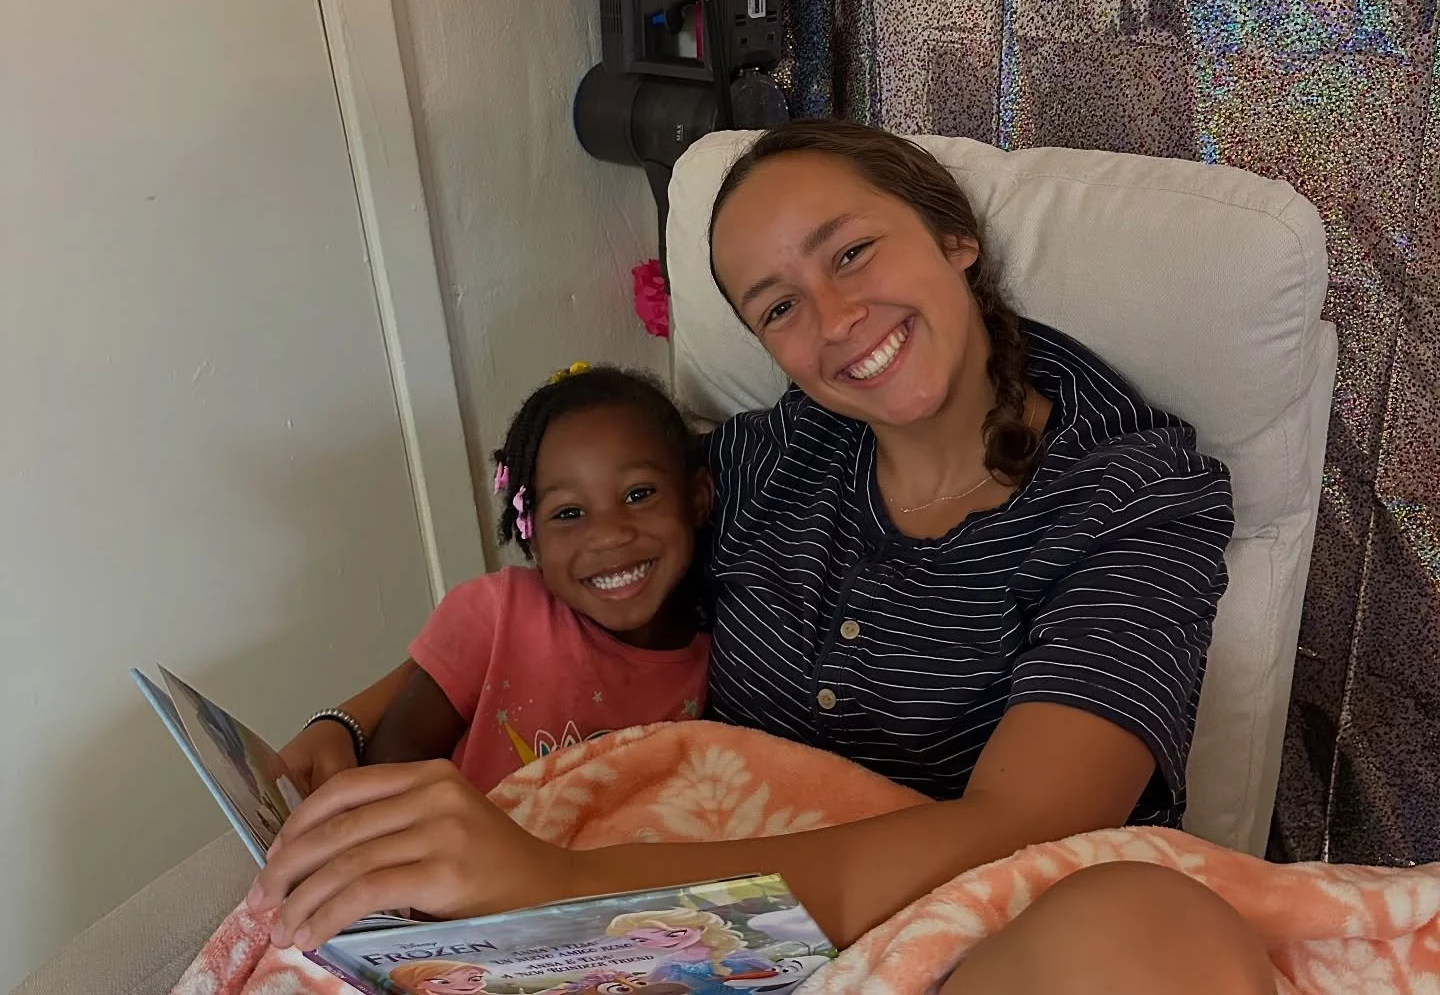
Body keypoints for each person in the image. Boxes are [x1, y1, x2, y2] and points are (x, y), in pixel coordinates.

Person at [254, 120, 1274, 994]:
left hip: (945, 943)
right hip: (690, 929)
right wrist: (358, 717)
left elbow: (1026, 824)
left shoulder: (1134, 494)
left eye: (850, 254)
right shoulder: (770, 458)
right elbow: (600, 557)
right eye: (778, 306)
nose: (835, 321)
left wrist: (555, 888)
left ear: (954, 238)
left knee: (1152, 929)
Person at [293, 363, 713, 798]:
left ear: (697, 498)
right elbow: (393, 760)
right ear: (532, 540)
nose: (608, 535)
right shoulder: (499, 613)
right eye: (568, 513)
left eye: (638, 494)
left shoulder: (724, 663)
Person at [606, 907, 777, 995]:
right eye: (641, 940)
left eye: (673, 934)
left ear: (701, 928)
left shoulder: (738, 953)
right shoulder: (668, 962)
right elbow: (648, 987)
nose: (660, 942)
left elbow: (779, 974)